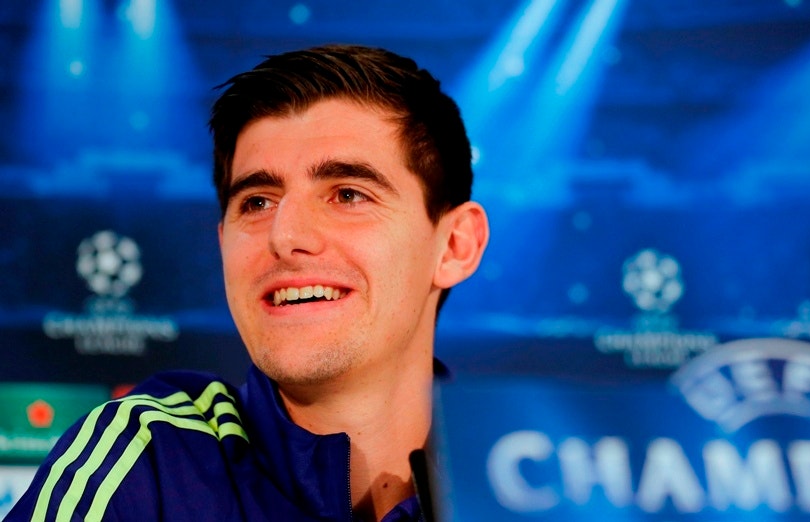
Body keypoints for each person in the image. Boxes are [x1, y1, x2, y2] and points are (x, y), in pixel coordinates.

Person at [6, 44, 489, 522]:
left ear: (454, 246)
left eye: (347, 195)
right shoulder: (143, 462)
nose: (285, 236)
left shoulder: (525, 474)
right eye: (257, 202)